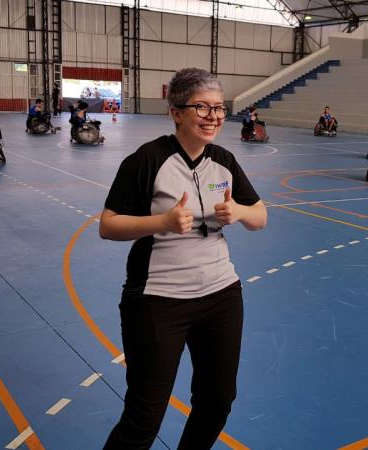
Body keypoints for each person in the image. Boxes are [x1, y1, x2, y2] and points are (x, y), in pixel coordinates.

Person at [99, 67, 267, 449]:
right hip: (159, 300)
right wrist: (163, 221)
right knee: (145, 415)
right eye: (202, 107)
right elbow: (108, 226)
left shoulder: (223, 160)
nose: (213, 117)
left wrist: (238, 213)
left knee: (217, 402)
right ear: (176, 112)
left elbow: (261, 216)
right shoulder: (147, 160)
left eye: (219, 108)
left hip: (221, 295)